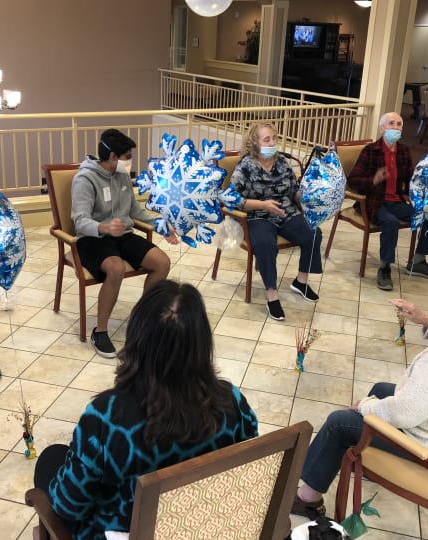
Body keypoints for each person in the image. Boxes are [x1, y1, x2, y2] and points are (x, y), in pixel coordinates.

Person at [291, 253, 428, 519]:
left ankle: (308, 499)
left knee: (340, 422)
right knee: (382, 388)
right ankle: (357, 457)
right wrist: (426, 321)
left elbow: (404, 414)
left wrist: (365, 406)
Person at [33, 280, 258, 539]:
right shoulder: (232, 401)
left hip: (126, 531)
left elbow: (69, 506)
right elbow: (245, 473)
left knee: (51, 460)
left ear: (136, 338)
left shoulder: (105, 417)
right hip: (205, 525)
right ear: (201, 342)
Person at [71, 128, 176, 358]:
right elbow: (80, 221)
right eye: (127, 156)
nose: (130, 161)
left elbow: (134, 209)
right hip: (93, 238)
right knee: (115, 268)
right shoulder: (84, 179)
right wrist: (105, 227)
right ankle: (100, 331)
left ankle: (143, 318)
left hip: (122, 235)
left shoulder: (121, 175)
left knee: (162, 262)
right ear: (112, 156)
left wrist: (160, 224)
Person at [230, 122, 323, 321]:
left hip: (284, 211)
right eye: (267, 139)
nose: (272, 142)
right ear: (255, 142)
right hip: (257, 215)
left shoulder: (281, 162)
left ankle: (300, 281)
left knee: (313, 232)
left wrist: (306, 197)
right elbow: (233, 199)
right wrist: (263, 205)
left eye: (274, 138)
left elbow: (293, 190)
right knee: (265, 244)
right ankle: (272, 295)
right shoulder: (245, 166)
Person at [348, 112, 428, 291]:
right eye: (391, 124)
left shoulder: (404, 151)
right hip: (373, 203)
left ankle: (418, 262)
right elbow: (353, 181)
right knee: (390, 222)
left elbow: (410, 180)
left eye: (399, 124)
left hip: (396, 201)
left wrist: (424, 184)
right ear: (382, 128)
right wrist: (374, 180)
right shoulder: (370, 151)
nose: (395, 127)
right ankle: (384, 268)